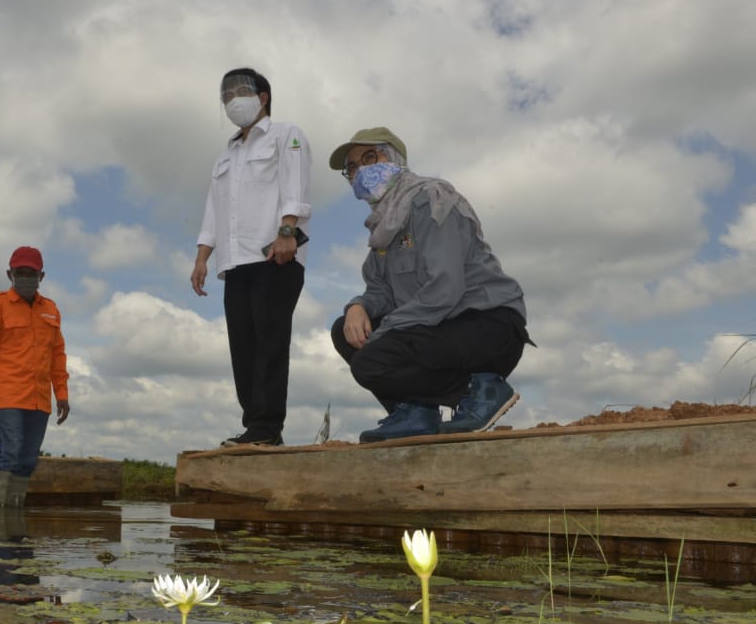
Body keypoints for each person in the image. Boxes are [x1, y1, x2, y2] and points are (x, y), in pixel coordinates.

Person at [328, 127, 532, 443]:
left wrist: (383, 334)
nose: (360, 171)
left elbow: (444, 290)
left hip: (486, 326)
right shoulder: (383, 229)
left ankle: (483, 390)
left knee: (372, 356)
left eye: (370, 157)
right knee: (346, 331)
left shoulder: (430, 199)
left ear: (395, 159)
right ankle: (415, 411)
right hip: (440, 333)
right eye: (352, 167)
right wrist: (358, 307)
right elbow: (380, 291)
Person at [191, 67, 312, 447]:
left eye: (240, 91)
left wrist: (287, 231)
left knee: (270, 344)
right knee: (243, 347)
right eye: (225, 95)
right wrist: (202, 257)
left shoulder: (285, 134)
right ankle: (253, 426)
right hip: (234, 262)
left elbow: (295, 184)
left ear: (262, 97)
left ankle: (267, 429)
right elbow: (214, 208)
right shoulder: (226, 153)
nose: (232, 100)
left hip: (276, 256)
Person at [0, 246, 70, 505]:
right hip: (7, 397)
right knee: (11, 454)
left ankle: (14, 525)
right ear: (10, 274)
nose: (26, 277)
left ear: (42, 276)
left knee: (28, 460)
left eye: (31, 273)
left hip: (39, 399)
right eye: (20, 272)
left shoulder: (51, 309)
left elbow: (57, 355)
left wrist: (61, 393)